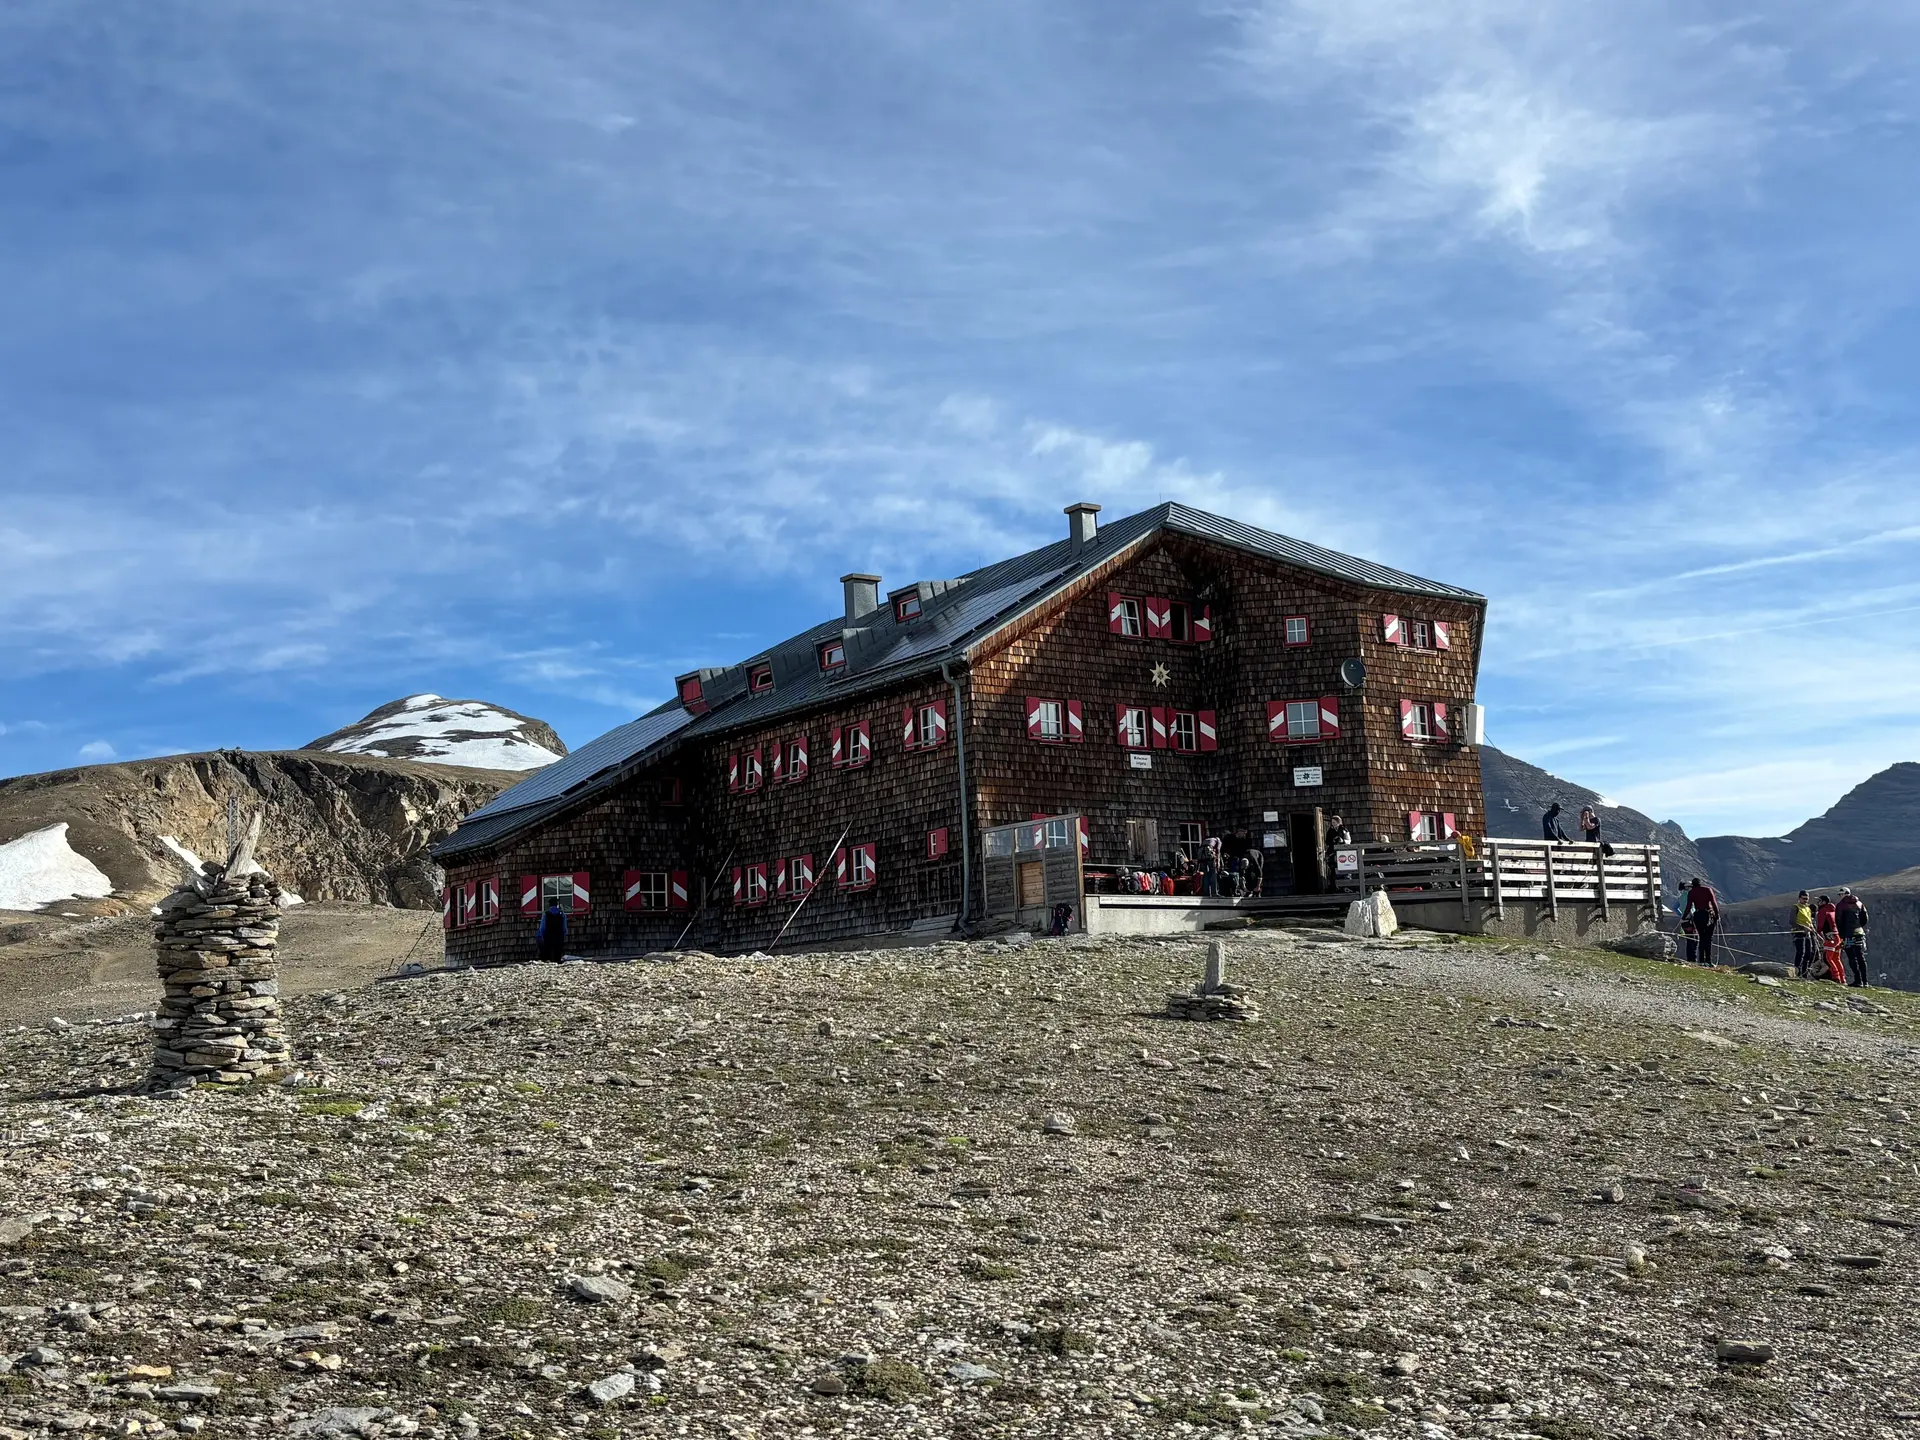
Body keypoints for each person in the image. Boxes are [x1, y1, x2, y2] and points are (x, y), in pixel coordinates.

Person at [1680, 876, 1719, 966]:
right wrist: (1717, 915)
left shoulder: (1692, 893)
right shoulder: (1708, 890)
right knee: (1708, 938)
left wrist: (1683, 917)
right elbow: (1714, 903)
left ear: (1693, 885)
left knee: (1701, 937)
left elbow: (1688, 906)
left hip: (1698, 916)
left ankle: (1701, 961)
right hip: (1709, 915)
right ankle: (1708, 960)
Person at [1837, 888, 1871, 987]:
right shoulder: (1859, 903)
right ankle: (1865, 981)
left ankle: (1858, 980)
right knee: (1861, 956)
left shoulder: (1841, 905)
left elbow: (1839, 921)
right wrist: (1859, 926)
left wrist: (1842, 935)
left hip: (1848, 934)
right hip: (1859, 932)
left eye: (1840, 895)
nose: (1839, 896)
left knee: (1852, 957)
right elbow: (1865, 919)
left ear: (1843, 894)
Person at [1814, 895, 1844, 983]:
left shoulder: (1823, 911)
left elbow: (1820, 926)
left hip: (1830, 936)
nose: (1818, 903)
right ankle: (1842, 978)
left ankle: (1836, 977)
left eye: (1819, 901)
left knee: (1828, 958)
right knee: (1836, 958)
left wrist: (1818, 933)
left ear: (1823, 902)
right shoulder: (1834, 910)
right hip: (1839, 936)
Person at [1790, 891, 1815, 979]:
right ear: (1799, 898)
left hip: (1808, 933)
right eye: (1803, 899)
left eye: (1807, 899)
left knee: (1809, 953)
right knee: (1801, 952)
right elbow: (1792, 922)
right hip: (1798, 932)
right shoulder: (1795, 907)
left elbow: (1809, 920)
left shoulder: (1808, 908)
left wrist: (1811, 927)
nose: (1805, 900)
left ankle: (1804, 974)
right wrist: (1803, 927)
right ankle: (1797, 972)